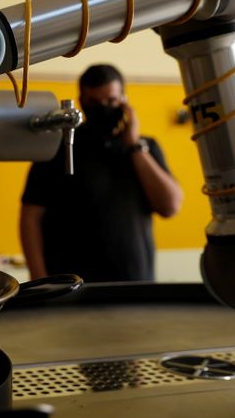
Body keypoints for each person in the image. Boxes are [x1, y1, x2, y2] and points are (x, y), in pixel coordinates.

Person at [19, 64, 183, 282]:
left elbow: (170, 206)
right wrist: (39, 278)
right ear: (81, 101)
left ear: (124, 101)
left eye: (111, 101)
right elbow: (30, 217)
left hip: (134, 284)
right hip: (71, 286)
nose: (103, 108)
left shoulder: (146, 147)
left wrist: (134, 146)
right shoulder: (60, 148)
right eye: (93, 102)